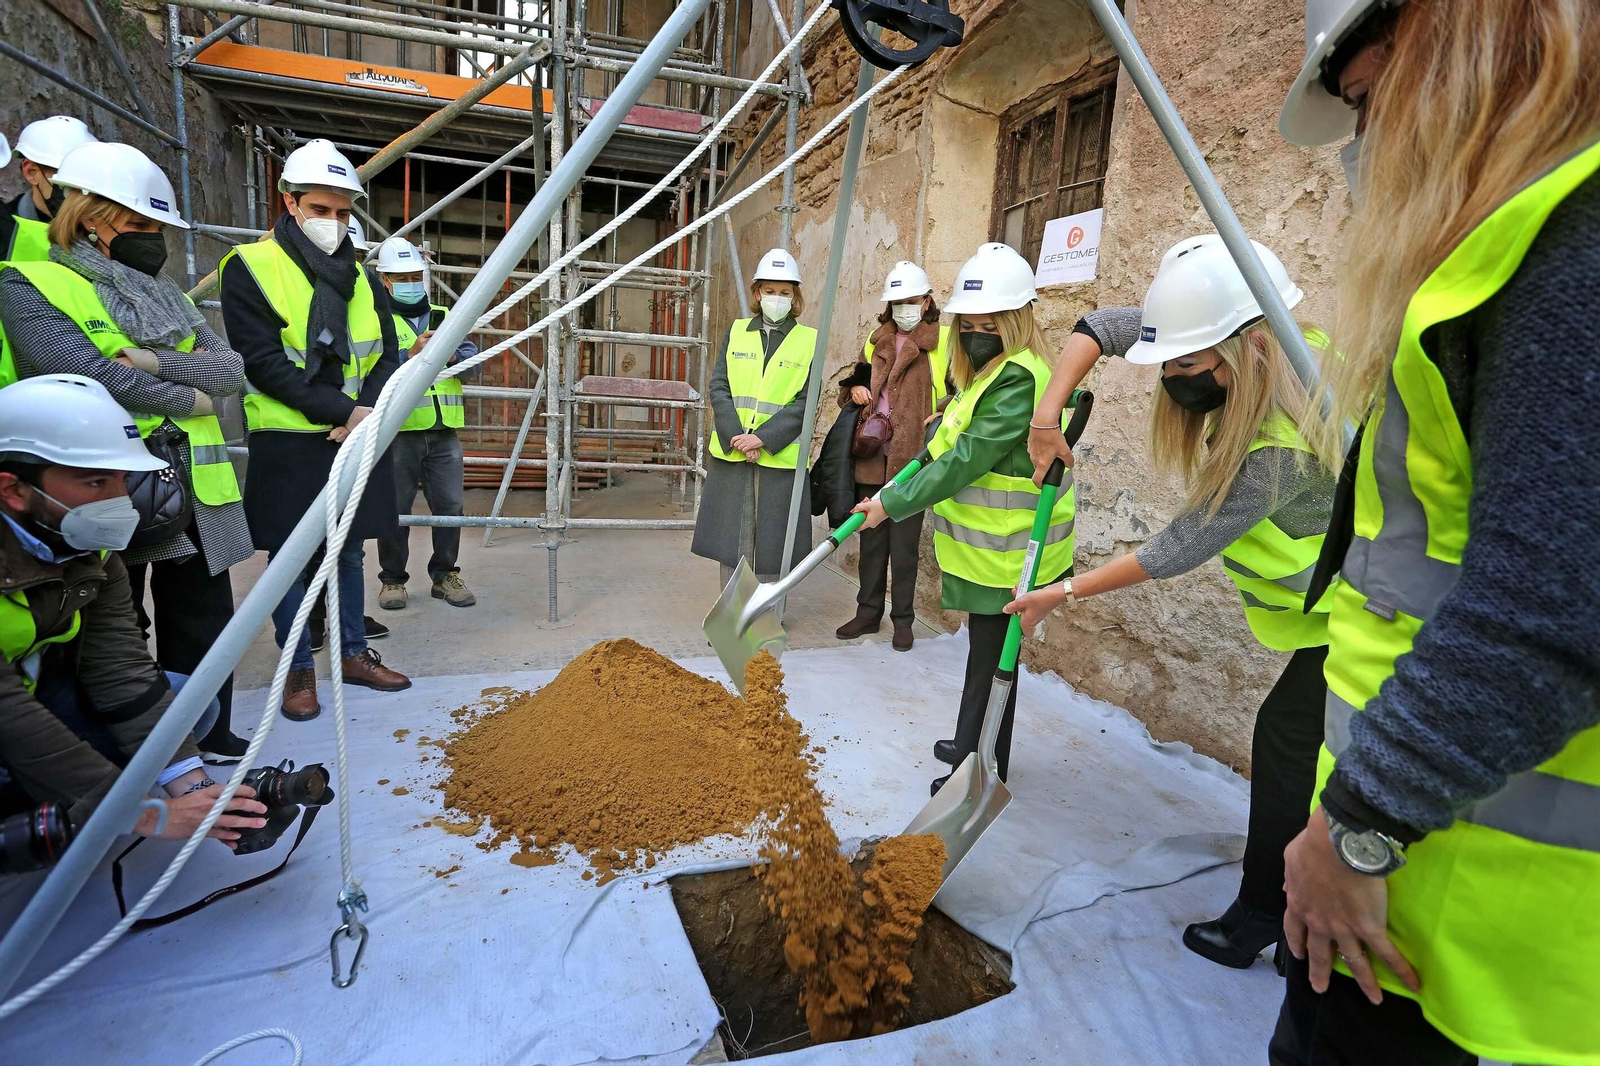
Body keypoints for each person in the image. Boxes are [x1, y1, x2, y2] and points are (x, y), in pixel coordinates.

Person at [1263, 1, 1600, 1063]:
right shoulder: (1502, 254)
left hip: (1431, 889)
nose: (1364, 148)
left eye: (1367, 101)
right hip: (1423, 874)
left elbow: (1553, 607)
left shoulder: (1567, 243)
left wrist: (1357, 823)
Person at [1006, 234, 1335, 970]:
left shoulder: (1279, 447)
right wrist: (1045, 419)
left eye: (1186, 366)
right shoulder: (1273, 340)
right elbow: (1100, 327)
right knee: (1299, 748)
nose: (1172, 380)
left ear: (1248, 348)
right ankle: (1289, 916)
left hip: (1371, 612)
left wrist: (1060, 592)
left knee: (1293, 748)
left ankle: (1272, 916)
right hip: (1335, 615)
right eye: (1170, 363)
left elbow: (1176, 549)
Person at [0, 141, 253, 764]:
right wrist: (191, 394)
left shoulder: (170, 295)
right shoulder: (32, 283)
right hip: (107, 485)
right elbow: (87, 374)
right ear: (91, 217)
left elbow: (230, 371)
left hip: (198, 491)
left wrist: (149, 361)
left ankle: (209, 734)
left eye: (157, 228)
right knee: (113, 623)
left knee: (204, 620)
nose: (154, 240)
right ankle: (135, 754)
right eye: (140, 225)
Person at [0, 374, 268, 848]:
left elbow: (118, 667)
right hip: (10, 708)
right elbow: (7, 713)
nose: (120, 502)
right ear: (13, 489)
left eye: (123, 479)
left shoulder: (88, 549)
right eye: (95, 482)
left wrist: (194, 788)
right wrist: (139, 813)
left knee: (189, 705)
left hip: (33, 694)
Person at [851, 243, 1073, 797]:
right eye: (967, 325)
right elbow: (949, 441)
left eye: (988, 326)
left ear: (1016, 321)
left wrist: (891, 506)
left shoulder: (1018, 379)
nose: (975, 335)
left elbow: (967, 460)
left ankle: (978, 763)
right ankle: (975, 743)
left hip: (1012, 553)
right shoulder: (986, 374)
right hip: (989, 552)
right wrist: (905, 473)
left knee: (994, 661)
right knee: (987, 656)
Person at [220, 138, 411, 722]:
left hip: (355, 431)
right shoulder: (250, 266)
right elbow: (262, 362)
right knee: (292, 560)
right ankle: (298, 667)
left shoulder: (364, 277)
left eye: (343, 211)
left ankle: (352, 653)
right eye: (320, 209)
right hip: (289, 438)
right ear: (290, 202)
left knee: (349, 549)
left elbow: (386, 354)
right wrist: (341, 412)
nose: (334, 221)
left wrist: (364, 412)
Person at [832, 261, 951, 651]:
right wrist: (854, 391)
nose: (905, 308)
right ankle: (868, 613)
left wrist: (944, 412)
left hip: (912, 458)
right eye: (898, 302)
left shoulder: (944, 342)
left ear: (927, 301)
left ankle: (903, 620)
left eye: (912, 301)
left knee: (904, 548)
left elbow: (962, 391)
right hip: (871, 454)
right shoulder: (875, 339)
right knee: (870, 541)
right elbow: (856, 380)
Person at [692, 248, 815, 584]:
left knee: (774, 545)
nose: (777, 298)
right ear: (757, 293)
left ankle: (766, 609)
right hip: (734, 450)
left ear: (795, 297)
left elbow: (807, 400)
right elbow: (719, 386)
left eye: (785, 292)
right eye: (770, 290)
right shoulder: (737, 331)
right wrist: (736, 436)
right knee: (732, 541)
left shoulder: (809, 341)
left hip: (778, 456)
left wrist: (762, 438)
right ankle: (732, 608)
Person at [369, 236, 477, 610]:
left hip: (444, 433)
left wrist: (450, 356)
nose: (411, 283)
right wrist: (410, 354)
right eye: (402, 278)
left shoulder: (444, 315)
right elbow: (371, 370)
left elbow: (473, 363)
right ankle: (392, 580)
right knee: (395, 509)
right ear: (385, 280)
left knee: (451, 507)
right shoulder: (376, 318)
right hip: (399, 433)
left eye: (416, 276)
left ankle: (445, 576)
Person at [0, 116, 97, 265]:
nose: (82, 190)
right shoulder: (6, 233)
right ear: (32, 172)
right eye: (68, 177)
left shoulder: (107, 230)